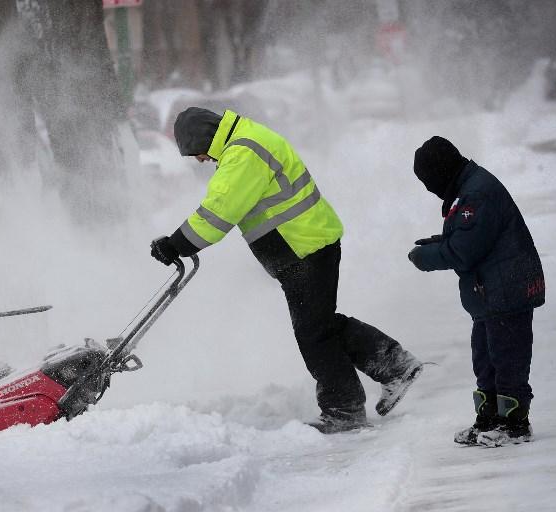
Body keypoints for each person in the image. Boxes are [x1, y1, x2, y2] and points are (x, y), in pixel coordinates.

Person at [150, 107, 423, 433]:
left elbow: (217, 214)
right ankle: (394, 367)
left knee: (314, 334)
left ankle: (346, 409)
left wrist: (175, 244)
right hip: (307, 246)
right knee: (321, 327)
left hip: (303, 249)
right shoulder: (247, 140)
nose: (199, 160)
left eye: (197, 152)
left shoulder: (243, 153)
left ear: (205, 138)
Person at [408, 136, 545, 447]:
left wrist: (426, 258)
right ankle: (489, 418)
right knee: (485, 356)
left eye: (428, 181)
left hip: (508, 289)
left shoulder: (477, 193)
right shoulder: (467, 188)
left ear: (440, 172)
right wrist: (437, 243)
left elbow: (464, 251)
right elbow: (470, 237)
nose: (429, 189)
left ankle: (514, 423)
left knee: (507, 356)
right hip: (491, 292)